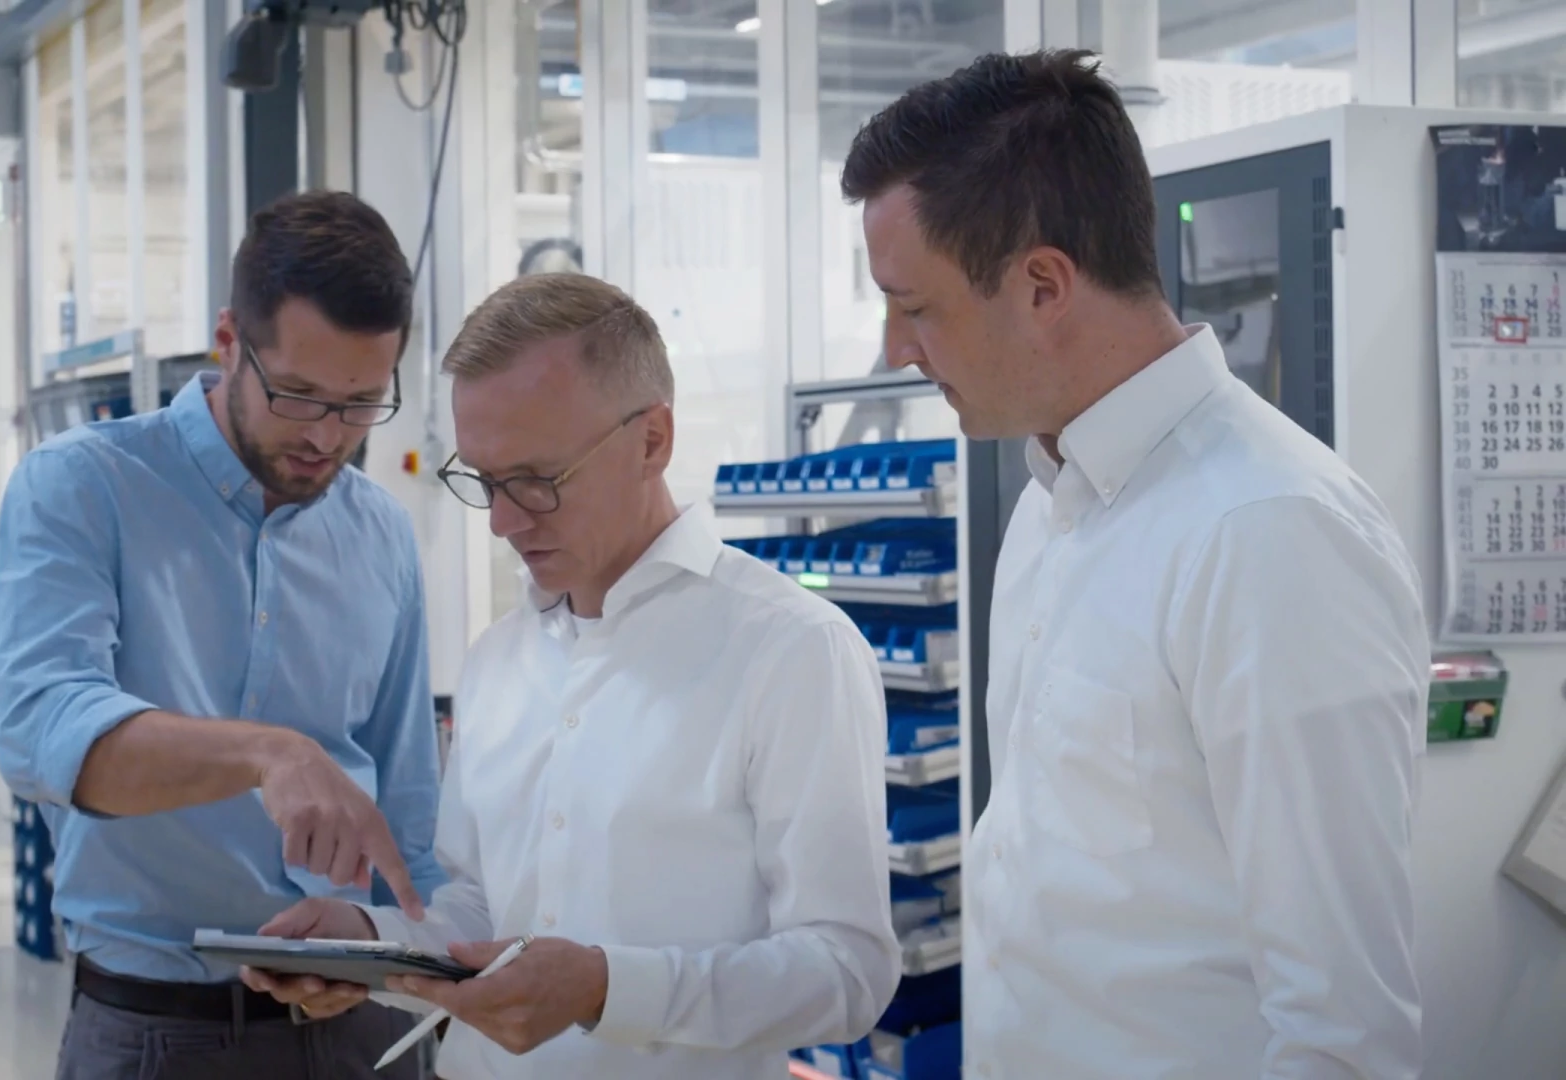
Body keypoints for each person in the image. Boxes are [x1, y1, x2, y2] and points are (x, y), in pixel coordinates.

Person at [841, 50, 1428, 1079]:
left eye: (916, 307)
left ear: (1042, 285)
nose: (896, 349)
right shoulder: (1046, 509)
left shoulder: (1270, 533)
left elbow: (1345, 1036)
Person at [242, 272, 902, 1079]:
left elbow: (846, 970)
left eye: (536, 480)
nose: (506, 522)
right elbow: (481, 911)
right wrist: (367, 943)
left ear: (653, 439)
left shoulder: (791, 651)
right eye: (484, 483)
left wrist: (607, 989)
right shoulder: (498, 662)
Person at [0, 191, 447, 1080]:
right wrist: (266, 754)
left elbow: (406, 805)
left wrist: (379, 938)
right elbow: (42, 727)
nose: (327, 436)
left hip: (364, 1032)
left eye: (361, 404)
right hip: (161, 1034)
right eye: (300, 394)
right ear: (229, 342)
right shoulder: (84, 488)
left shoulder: (381, 532)